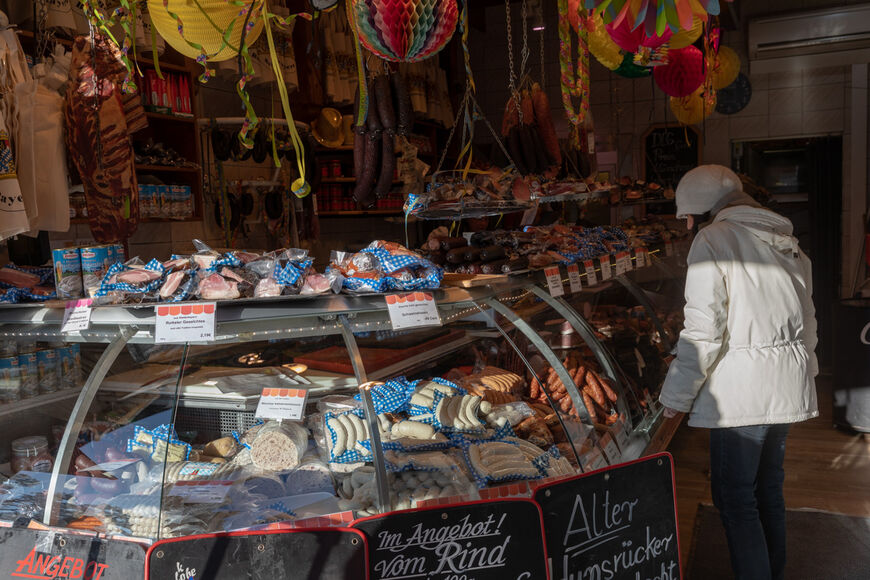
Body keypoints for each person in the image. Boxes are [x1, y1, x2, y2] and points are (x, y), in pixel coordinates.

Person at [659, 165, 819, 580]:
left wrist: (674, 399)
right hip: (786, 387)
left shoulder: (713, 240)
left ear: (700, 210)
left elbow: (703, 333)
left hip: (741, 399)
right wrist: (807, 376)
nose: (688, 226)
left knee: (734, 499)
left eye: (687, 218)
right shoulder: (790, 244)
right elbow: (809, 324)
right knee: (767, 492)